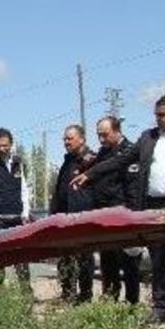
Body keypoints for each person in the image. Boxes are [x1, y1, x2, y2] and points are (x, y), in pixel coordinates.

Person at [75, 93, 165, 323]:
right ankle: (161, 309)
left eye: (162, 115)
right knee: (160, 260)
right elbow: (119, 161)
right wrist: (90, 174)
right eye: (156, 115)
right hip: (155, 206)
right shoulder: (147, 139)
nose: (158, 119)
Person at [90, 116, 141, 304]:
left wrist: (134, 219)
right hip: (104, 218)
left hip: (124, 217)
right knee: (107, 261)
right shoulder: (102, 154)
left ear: (117, 130)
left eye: (105, 135)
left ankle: (131, 302)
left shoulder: (129, 152)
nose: (102, 140)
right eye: (99, 136)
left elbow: (133, 190)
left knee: (129, 264)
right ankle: (110, 298)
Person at [50, 125, 97, 303]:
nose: (66, 142)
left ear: (82, 139)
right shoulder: (67, 162)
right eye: (65, 139)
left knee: (85, 257)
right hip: (64, 218)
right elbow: (60, 190)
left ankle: (85, 295)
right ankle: (67, 292)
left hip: (83, 217)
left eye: (70, 138)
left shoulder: (91, 160)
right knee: (66, 256)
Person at [0, 128, 32, 284]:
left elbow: (24, 187)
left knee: (21, 257)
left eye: (5, 145)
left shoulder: (18, 162)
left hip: (17, 216)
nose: (2, 149)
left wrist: (25, 211)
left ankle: (25, 290)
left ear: (11, 144)